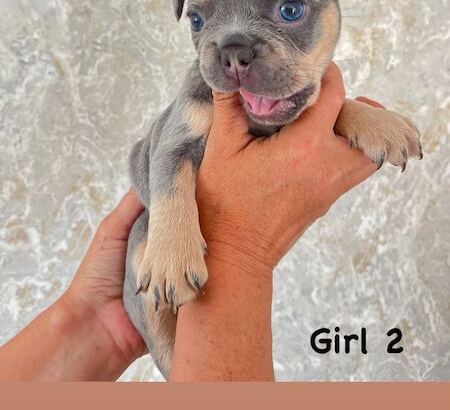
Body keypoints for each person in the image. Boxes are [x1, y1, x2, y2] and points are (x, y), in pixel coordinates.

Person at [0, 64, 378, 381]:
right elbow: (160, 156)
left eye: (290, 10)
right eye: (199, 19)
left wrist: (96, 318)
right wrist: (240, 249)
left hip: (126, 302)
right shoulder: (202, 98)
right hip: (160, 252)